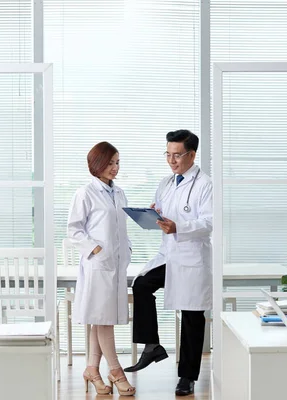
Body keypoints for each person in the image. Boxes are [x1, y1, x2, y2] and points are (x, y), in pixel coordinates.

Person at [124, 130, 213, 396]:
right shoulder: (165, 183)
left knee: (192, 315)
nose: (171, 160)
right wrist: (155, 216)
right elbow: (163, 215)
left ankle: (187, 377)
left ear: (192, 155)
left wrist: (179, 226)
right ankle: (152, 345)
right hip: (170, 255)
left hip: (192, 258)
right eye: (168, 154)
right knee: (141, 285)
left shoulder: (206, 184)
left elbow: (209, 223)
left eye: (177, 155)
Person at [67, 141, 136, 396]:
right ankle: (116, 371)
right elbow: (74, 229)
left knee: (101, 318)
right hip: (97, 266)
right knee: (104, 320)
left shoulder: (119, 194)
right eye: (109, 162)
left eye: (117, 162)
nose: (114, 167)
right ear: (97, 164)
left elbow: (122, 228)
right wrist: (96, 250)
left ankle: (92, 370)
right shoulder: (85, 193)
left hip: (116, 264)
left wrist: (126, 250)